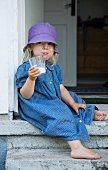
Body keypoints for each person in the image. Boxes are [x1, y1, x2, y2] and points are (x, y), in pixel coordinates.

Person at [15, 22, 107, 160]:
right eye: (40, 42)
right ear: (31, 47)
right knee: (60, 111)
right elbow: (25, 95)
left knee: (73, 98)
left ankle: (88, 112)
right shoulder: (25, 68)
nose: (45, 47)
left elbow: (60, 88)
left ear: (54, 48)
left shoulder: (54, 68)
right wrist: (31, 79)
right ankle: (76, 147)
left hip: (53, 99)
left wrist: (72, 102)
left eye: (49, 43)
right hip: (37, 105)